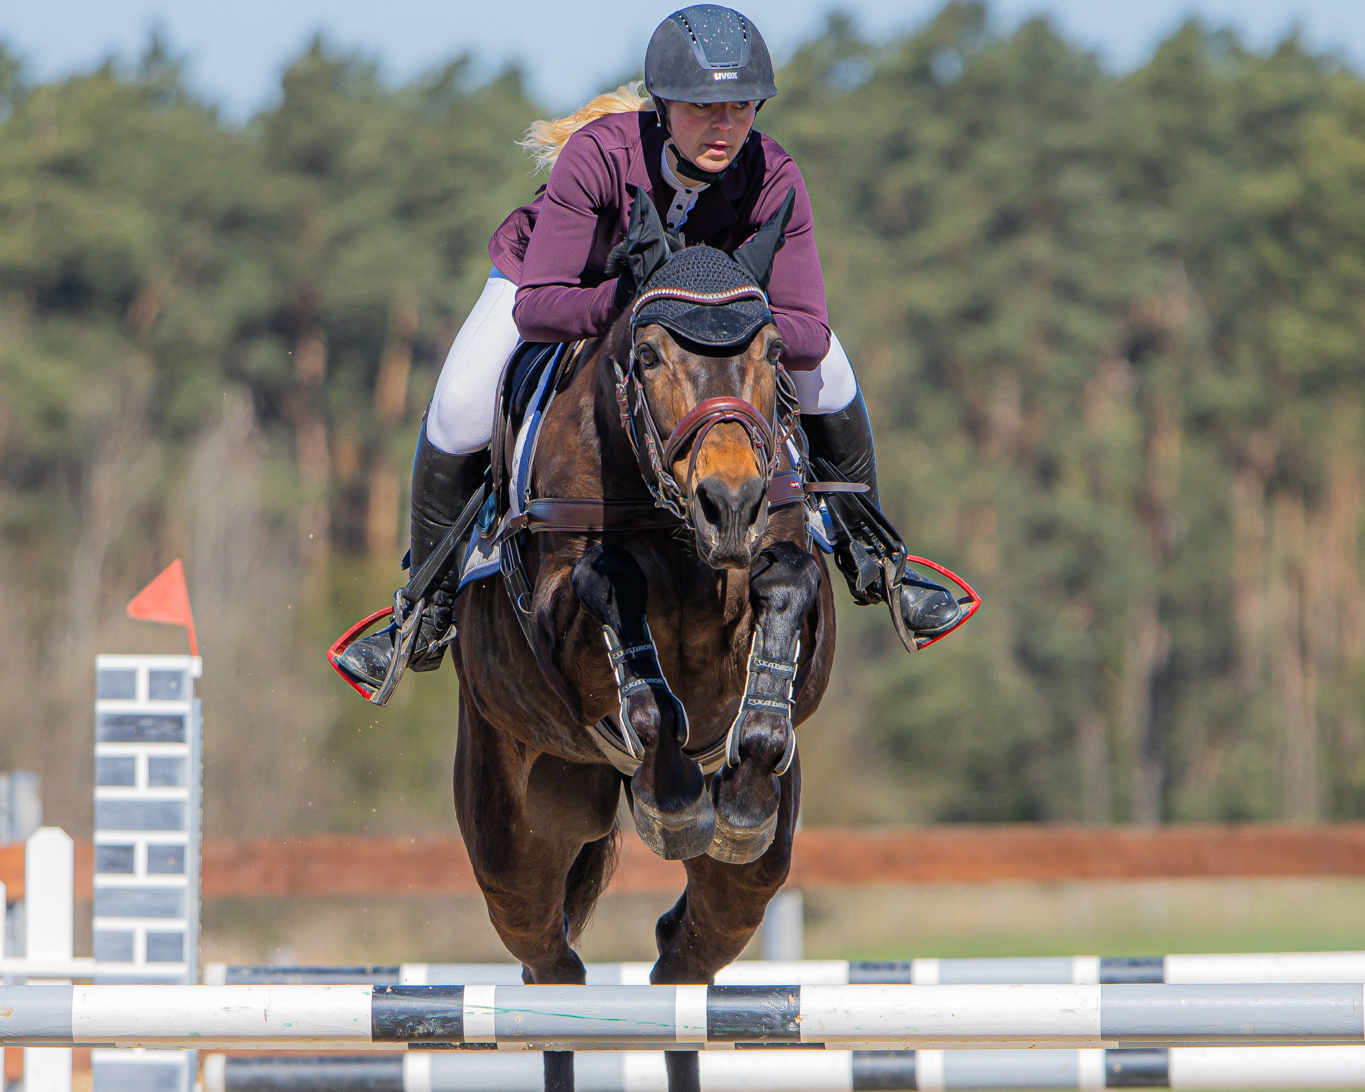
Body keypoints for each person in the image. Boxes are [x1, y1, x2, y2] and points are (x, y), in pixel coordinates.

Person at [337, 4, 963, 693]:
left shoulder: (774, 173)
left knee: (830, 376)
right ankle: (424, 607)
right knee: (458, 405)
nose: (724, 126)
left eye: (740, 106)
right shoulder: (599, 156)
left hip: (710, 316)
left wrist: (739, 331)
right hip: (568, 286)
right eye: (703, 108)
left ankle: (875, 559)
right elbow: (539, 305)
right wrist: (629, 311)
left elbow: (807, 330)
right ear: (663, 106)